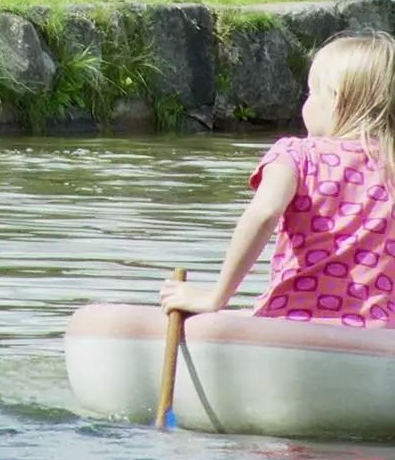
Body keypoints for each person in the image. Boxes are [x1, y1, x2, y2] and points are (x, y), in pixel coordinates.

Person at [160, 32, 395, 326]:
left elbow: (265, 212)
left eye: (311, 93)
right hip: (380, 338)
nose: (306, 104)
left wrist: (216, 297)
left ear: (335, 100)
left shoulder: (296, 154)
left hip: (294, 326)